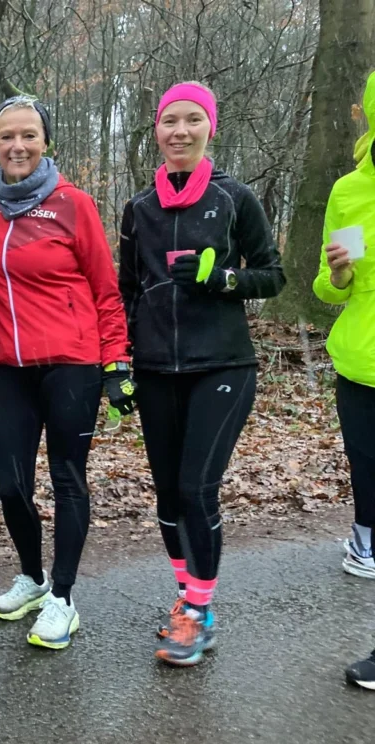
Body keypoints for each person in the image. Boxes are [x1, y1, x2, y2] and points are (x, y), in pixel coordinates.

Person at [118, 82, 285, 667]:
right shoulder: (138, 208)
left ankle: (198, 612)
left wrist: (224, 279)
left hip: (223, 365)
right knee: (167, 497)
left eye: (193, 120)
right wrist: (121, 364)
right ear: (157, 131)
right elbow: (126, 292)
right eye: (170, 121)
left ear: (209, 127)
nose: (180, 131)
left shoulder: (235, 198)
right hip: (156, 368)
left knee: (196, 489)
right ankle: (189, 598)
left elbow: (272, 275)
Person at [0, 96, 134, 650]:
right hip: (11, 368)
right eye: (6, 136)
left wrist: (117, 364)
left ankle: (63, 598)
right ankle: (33, 579)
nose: (18, 146)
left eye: (29, 136)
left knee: (67, 478)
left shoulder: (73, 204)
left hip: (72, 364)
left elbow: (106, 291)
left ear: (46, 142)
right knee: (12, 484)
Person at [314, 72, 375, 688]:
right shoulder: (350, 192)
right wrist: (336, 272)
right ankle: (364, 538)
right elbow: (330, 289)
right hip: (361, 364)